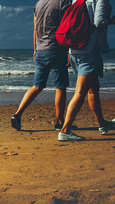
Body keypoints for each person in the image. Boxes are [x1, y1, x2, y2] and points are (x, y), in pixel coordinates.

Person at [58, 0, 115, 141]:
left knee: (93, 89)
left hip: (75, 49)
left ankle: (102, 124)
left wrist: (70, 52)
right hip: (89, 51)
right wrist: (113, 21)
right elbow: (99, 22)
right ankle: (65, 130)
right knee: (80, 92)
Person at [11, 0, 72, 131]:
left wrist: (35, 49)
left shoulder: (38, 4)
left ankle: (18, 114)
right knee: (60, 87)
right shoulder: (64, 2)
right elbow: (68, 28)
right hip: (57, 49)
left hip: (40, 51)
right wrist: (69, 51)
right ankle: (59, 122)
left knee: (37, 86)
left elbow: (35, 29)